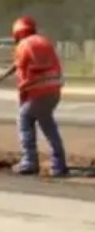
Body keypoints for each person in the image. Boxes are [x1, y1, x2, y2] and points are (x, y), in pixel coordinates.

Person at [11, 16, 68, 177]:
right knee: (48, 124)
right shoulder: (45, 42)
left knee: (24, 119)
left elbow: (22, 79)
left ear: (18, 34)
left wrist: (22, 99)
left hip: (36, 93)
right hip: (54, 92)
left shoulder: (23, 46)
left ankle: (29, 161)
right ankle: (59, 164)